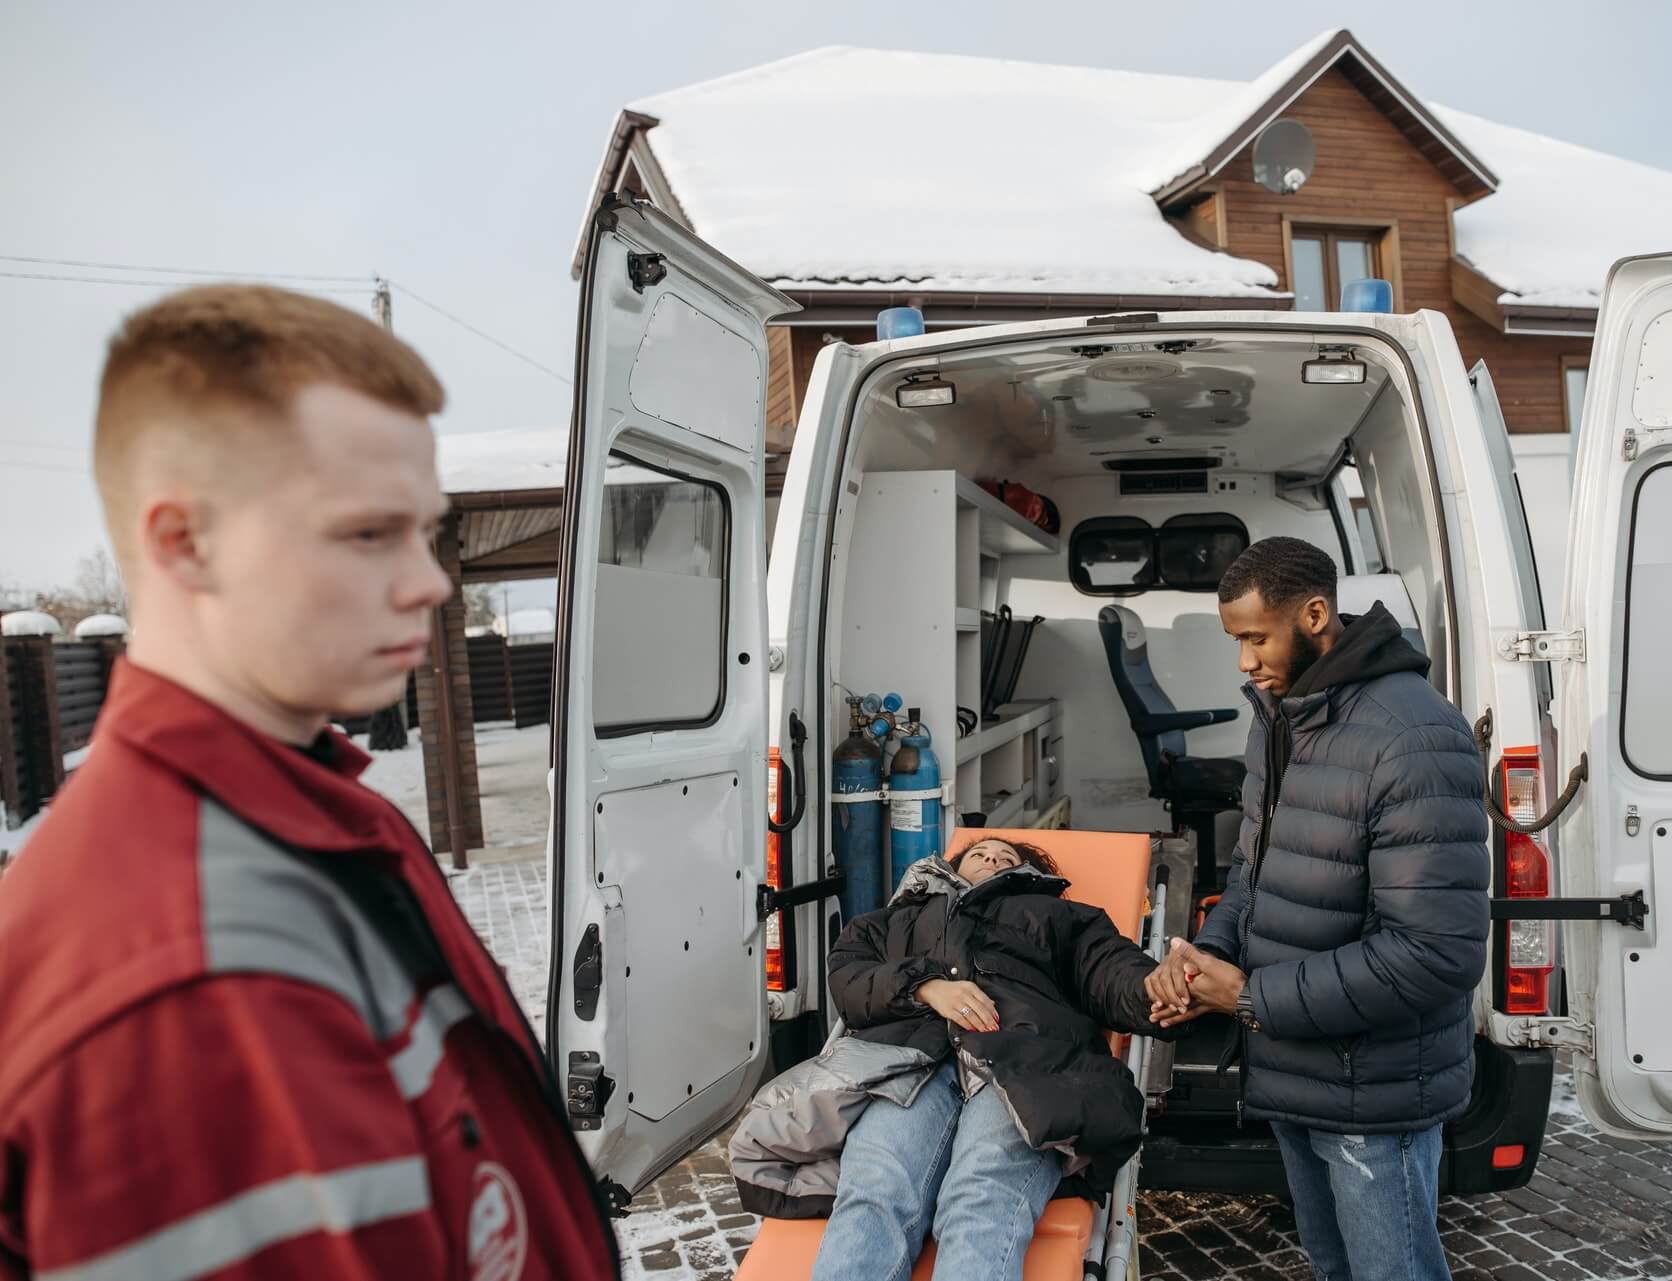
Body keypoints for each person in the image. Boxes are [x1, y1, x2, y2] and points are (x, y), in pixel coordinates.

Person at [0, 286, 620, 1279]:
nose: (431, 581)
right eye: (370, 534)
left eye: (425, 530)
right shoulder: (191, 972)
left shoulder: (309, 815)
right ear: (183, 542)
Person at [1146, 536, 1490, 1281]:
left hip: (1375, 1095)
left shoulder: (1416, 737)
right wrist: (1206, 956)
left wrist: (1250, 996)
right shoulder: (1280, 716)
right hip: (1294, 1068)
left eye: (1254, 638)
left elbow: (1438, 952)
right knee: (1334, 1268)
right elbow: (1253, 871)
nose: (1244, 662)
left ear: (1314, 613)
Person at [728, 837, 1175, 1281]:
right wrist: (922, 986)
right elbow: (849, 973)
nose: (992, 859)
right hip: (906, 1064)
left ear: (1026, 874)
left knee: (982, 1196)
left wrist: (1158, 990)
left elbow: (1112, 972)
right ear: (953, 866)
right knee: (875, 1189)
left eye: (1006, 859)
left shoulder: (1058, 916)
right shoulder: (896, 919)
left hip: (1024, 1066)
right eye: (980, 854)